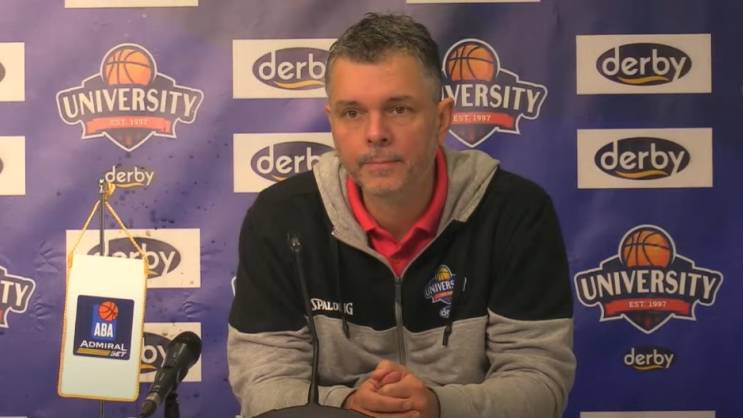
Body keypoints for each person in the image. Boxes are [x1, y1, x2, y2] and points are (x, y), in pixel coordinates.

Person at [228, 13, 575, 418]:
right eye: (352, 113)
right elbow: (262, 384)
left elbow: (539, 383)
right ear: (332, 122)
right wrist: (348, 406)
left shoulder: (515, 212)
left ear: (442, 119)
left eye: (398, 109)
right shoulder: (281, 218)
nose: (375, 133)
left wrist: (437, 406)